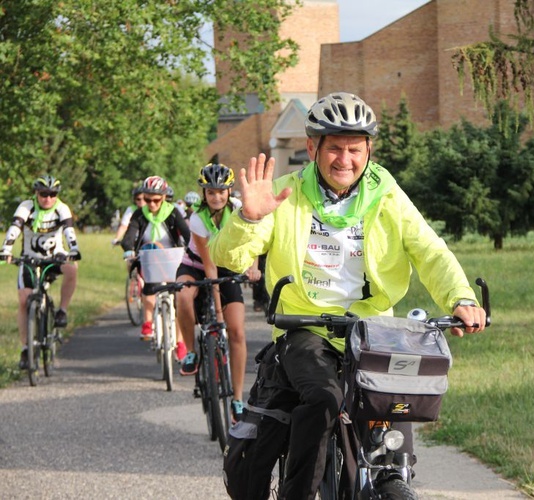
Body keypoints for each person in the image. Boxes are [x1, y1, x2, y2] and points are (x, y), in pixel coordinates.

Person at [209, 92, 486, 500]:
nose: (345, 159)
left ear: (369, 150)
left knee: (395, 400)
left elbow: (429, 250)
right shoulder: (284, 194)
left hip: (374, 330)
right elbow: (227, 256)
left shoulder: (387, 194)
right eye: (334, 148)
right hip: (304, 328)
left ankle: (394, 473)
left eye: (355, 149)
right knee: (324, 398)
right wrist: (249, 218)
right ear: (312, 147)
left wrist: (460, 297)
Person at [174, 163, 249, 419]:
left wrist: (254, 267)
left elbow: (253, 239)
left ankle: (238, 398)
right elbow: (208, 267)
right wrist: (218, 313)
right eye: (210, 192)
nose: (216, 197)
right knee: (183, 295)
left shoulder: (239, 209)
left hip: (227, 267)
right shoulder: (197, 218)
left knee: (237, 331)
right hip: (197, 266)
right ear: (204, 194)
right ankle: (191, 351)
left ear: (229, 192)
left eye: (221, 191)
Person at [0, 175, 81, 369]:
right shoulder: (26, 207)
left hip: (55, 256)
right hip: (29, 258)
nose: (48, 198)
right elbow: (14, 228)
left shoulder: (61, 208)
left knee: (72, 269)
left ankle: (61, 311)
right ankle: (26, 349)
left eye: (52, 194)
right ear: (36, 193)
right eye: (44, 194)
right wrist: (5, 250)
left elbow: (69, 232)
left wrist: (74, 249)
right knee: (23, 300)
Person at [121, 176, 190, 340]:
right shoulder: (139, 214)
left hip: (171, 256)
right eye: (147, 199)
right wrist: (129, 250)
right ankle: (147, 323)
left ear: (164, 197)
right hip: (149, 255)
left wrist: (191, 250)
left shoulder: (172, 212)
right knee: (150, 286)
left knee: (178, 298)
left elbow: (187, 234)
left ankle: (180, 343)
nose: (151, 204)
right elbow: (129, 236)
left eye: (156, 200)